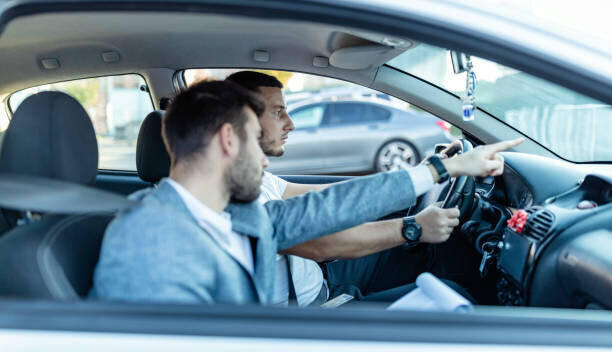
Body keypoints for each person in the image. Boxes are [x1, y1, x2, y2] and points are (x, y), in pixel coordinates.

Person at [91, 80, 522, 305]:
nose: (264, 162)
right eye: (254, 142)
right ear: (228, 140)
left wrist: (442, 168)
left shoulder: (238, 215)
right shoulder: (148, 238)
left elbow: (330, 205)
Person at [225, 71, 491, 305]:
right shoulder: (236, 199)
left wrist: (419, 176)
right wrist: (414, 228)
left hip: (322, 278)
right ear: (239, 123)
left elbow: (332, 198)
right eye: (277, 112)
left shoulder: (258, 179)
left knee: (420, 257)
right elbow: (321, 246)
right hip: (313, 310)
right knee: (454, 295)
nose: (291, 124)